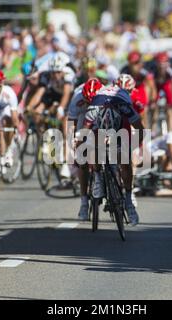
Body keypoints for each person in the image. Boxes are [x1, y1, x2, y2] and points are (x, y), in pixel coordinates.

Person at [80, 84, 145, 226]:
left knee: (125, 159)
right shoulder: (93, 110)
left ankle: (128, 200)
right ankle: (98, 177)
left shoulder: (126, 108)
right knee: (92, 145)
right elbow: (84, 134)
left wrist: (133, 148)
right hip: (100, 123)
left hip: (121, 122)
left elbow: (140, 130)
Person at [68, 78, 103, 220]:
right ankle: (84, 202)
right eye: (87, 101)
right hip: (83, 118)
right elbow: (71, 122)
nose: (90, 104)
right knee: (82, 157)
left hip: (102, 115)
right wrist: (72, 141)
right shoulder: (77, 98)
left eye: (92, 101)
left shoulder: (107, 94)